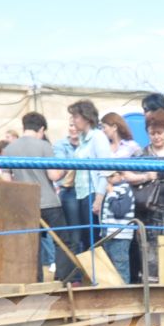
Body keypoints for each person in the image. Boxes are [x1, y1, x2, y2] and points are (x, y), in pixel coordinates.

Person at [3, 113, 68, 281]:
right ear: (41, 129)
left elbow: (6, 180)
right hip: (49, 203)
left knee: (32, 245)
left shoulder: (9, 149)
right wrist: (66, 169)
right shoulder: (44, 146)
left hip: (25, 205)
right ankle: (61, 279)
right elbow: (53, 175)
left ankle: (35, 280)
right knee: (62, 241)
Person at [129, 109, 164, 281]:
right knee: (150, 251)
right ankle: (151, 292)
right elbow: (126, 175)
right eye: (152, 133)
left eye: (160, 133)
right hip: (149, 212)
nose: (156, 137)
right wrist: (145, 176)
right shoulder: (141, 154)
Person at [61, 100, 111, 276]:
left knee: (93, 238)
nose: (73, 120)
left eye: (76, 116)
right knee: (84, 238)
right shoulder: (82, 139)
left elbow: (106, 170)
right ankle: (89, 275)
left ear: (86, 117)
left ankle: (99, 276)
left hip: (92, 193)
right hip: (81, 193)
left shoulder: (97, 137)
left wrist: (98, 198)